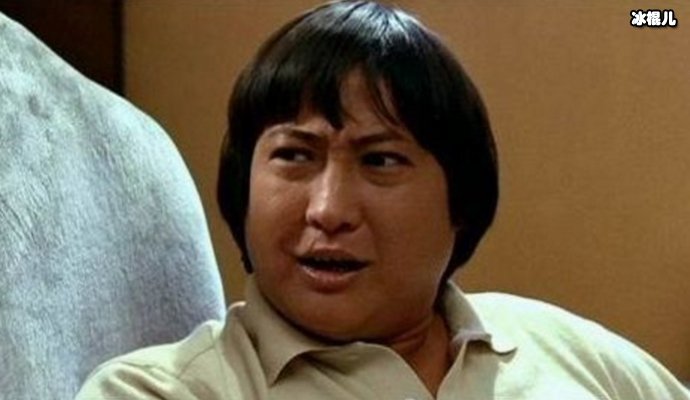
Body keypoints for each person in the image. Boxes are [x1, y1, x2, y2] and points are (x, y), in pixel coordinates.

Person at [76, 1, 690, 399]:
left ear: (462, 201)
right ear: (242, 189)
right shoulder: (163, 391)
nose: (328, 210)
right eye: (294, 155)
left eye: (380, 161)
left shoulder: (564, 347)